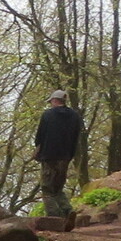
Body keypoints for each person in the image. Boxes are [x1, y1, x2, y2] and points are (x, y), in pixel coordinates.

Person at [33, 90, 84, 218]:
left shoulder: (47, 115)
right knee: (58, 188)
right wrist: (70, 155)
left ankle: (53, 217)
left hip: (49, 157)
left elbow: (39, 137)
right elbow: (76, 137)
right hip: (65, 156)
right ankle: (68, 210)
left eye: (51, 101)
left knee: (47, 189)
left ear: (55, 100)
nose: (51, 104)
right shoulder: (75, 116)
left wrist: (39, 151)